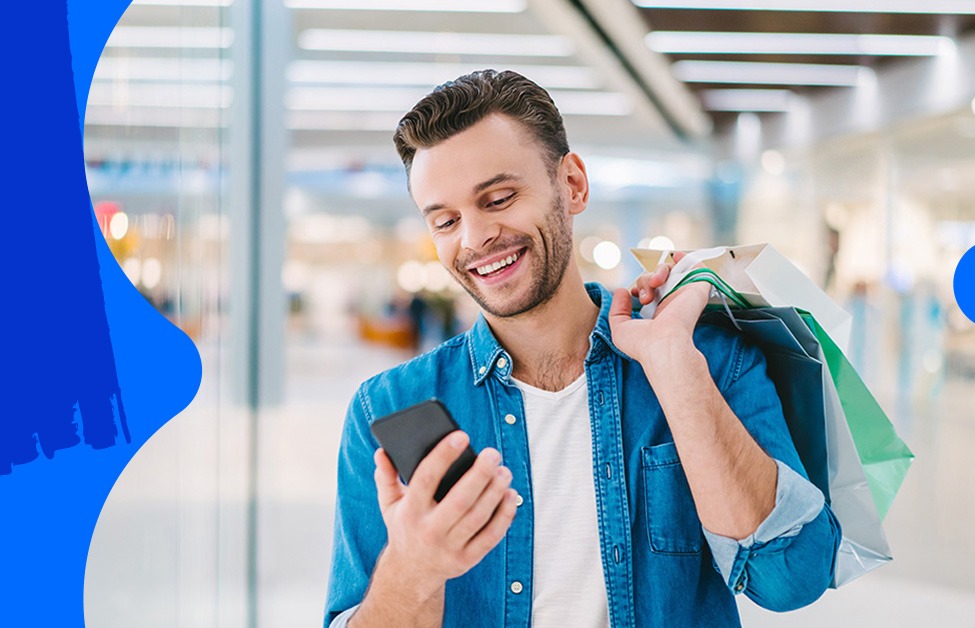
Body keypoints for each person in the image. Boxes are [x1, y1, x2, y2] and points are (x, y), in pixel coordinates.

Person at [324, 70, 840, 628]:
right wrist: (412, 569)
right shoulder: (389, 408)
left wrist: (676, 373)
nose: (473, 239)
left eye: (498, 198)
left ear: (572, 185)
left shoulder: (708, 361)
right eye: (445, 221)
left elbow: (793, 580)